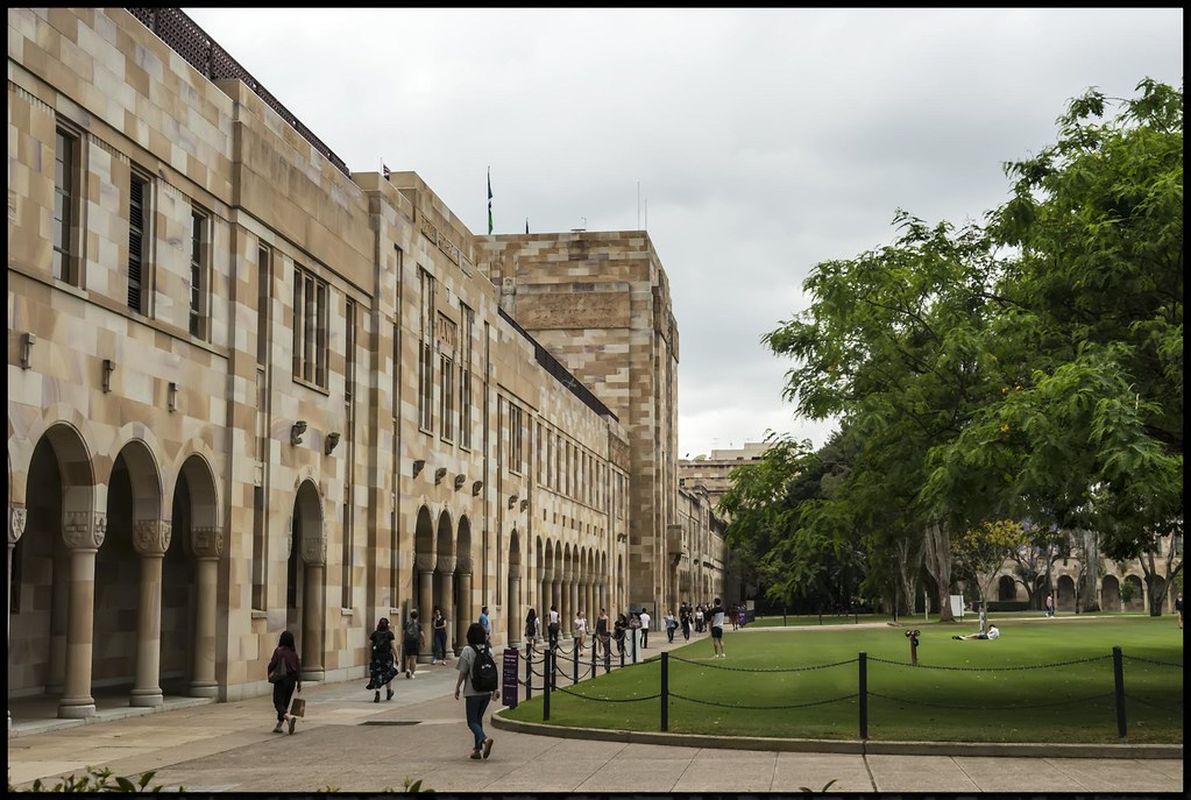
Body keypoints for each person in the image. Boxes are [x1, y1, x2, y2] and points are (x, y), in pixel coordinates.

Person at [453, 622, 497, 760]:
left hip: (473, 691)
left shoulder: (467, 650)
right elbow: (493, 672)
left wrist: (457, 687)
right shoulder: (489, 650)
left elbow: (463, 672)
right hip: (486, 692)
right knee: (478, 720)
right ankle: (477, 750)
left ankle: (484, 739)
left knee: (471, 721)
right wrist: (495, 689)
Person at [267, 630, 302, 734]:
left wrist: (270, 673)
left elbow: (273, 664)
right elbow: (298, 669)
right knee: (285, 703)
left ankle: (289, 717)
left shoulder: (279, 651)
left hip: (282, 679)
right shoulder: (294, 653)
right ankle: (279, 726)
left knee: (278, 702)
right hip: (292, 680)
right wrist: (299, 682)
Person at [366, 618, 399, 702]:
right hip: (387, 657)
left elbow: (369, 646)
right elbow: (394, 647)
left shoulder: (374, 634)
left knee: (377, 674)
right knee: (387, 673)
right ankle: (389, 692)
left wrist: (370, 657)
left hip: (376, 657)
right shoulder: (390, 634)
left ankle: (377, 692)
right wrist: (397, 658)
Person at [403, 610, 424, 679]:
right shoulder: (418, 625)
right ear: (417, 617)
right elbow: (422, 634)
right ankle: (412, 673)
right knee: (413, 658)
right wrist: (423, 641)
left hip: (407, 642)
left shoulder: (407, 624)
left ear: (410, 616)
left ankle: (407, 669)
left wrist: (404, 641)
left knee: (407, 657)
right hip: (415, 642)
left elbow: (403, 633)